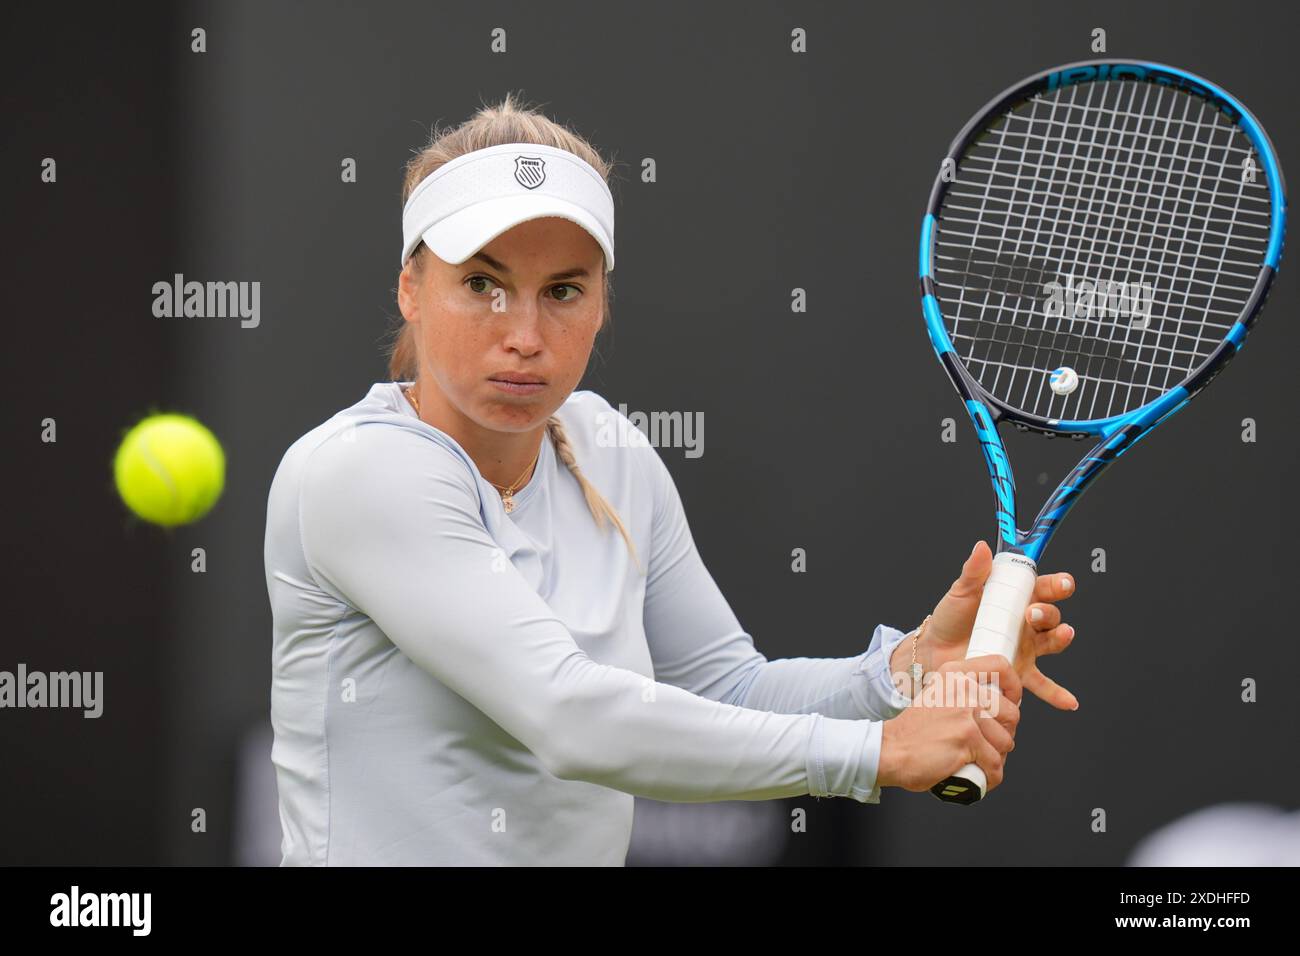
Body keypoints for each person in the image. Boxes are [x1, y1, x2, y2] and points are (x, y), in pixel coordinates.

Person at [263, 94, 1080, 866]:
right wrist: (879, 753)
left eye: (563, 292)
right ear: (411, 288)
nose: (524, 334)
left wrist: (902, 674)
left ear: (601, 304)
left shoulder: (609, 447)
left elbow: (730, 690)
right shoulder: (361, 471)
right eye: (482, 284)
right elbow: (571, 716)